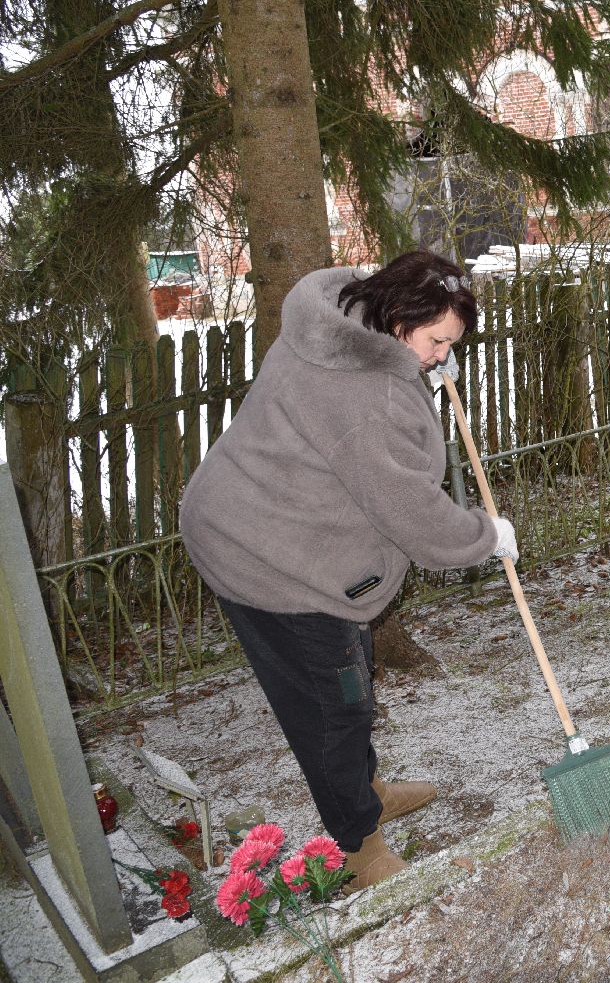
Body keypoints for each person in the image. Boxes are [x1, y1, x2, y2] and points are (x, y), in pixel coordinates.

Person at [179, 250, 519, 891]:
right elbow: (413, 514)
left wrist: (422, 366)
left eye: (451, 344)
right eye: (437, 341)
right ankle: (357, 844)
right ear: (397, 321)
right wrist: (485, 536)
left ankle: (365, 789)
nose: (443, 356)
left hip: (274, 514)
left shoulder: (339, 324)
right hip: (269, 556)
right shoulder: (370, 395)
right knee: (334, 707)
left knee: (351, 678)